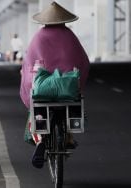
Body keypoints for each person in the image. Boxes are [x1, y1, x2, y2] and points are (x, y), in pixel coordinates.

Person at [19, 2, 90, 168]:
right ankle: (69, 137)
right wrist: (77, 82)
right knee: (71, 103)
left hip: (43, 89)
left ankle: (40, 142)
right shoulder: (70, 36)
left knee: (35, 112)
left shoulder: (39, 37)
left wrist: (28, 78)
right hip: (67, 87)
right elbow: (83, 62)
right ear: (63, 21)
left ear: (45, 22)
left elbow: (29, 64)